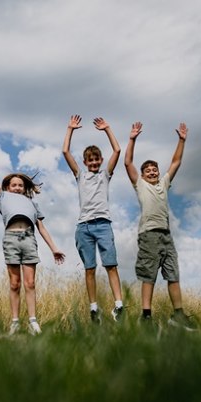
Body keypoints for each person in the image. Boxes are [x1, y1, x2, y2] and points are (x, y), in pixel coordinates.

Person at [0, 137, 65, 335]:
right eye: (13, 185)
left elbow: (41, 227)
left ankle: (33, 321)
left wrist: (54, 248)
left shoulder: (32, 204)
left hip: (29, 239)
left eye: (20, 185)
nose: (17, 187)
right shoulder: (2, 198)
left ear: (25, 188)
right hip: (10, 238)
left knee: (30, 283)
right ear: (8, 187)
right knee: (15, 284)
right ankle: (15, 322)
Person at [123, 121, 198, 331]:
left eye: (154, 169)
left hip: (167, 236)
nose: (152, 172)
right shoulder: (140, 185)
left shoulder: (164, 184)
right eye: (148, 170)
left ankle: (178, 315)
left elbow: (176, 162)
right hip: (149, 235)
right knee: (149, 275)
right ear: (143, 175)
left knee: (173, 275)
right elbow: (127, 163)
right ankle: (146, 316)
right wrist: (132, 139)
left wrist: (182, 141)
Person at [61, 114, 125, 323]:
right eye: (91, 160)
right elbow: (65, 152)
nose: (95, 162)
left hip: (103, 224)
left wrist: (107, 129)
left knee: (111, 265)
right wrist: (70, 129)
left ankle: (118, 305)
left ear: (101, 160)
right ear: (85, 162)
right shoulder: (80, 175)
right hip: (84, 227)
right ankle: (94, 308)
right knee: (90, 269)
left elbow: (117, 150)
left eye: (97, 159)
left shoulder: (105, 175)